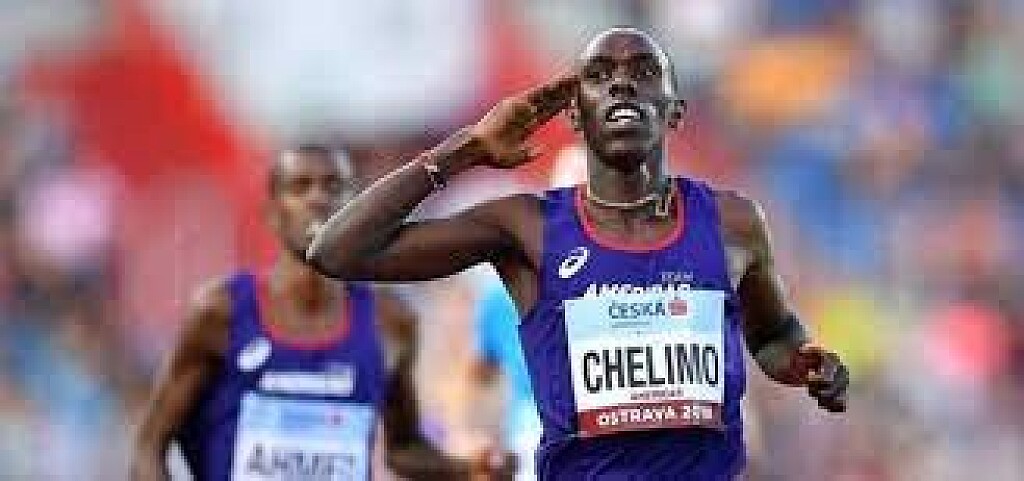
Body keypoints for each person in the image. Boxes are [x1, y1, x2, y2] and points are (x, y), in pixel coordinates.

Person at [305, 27, 849, 480]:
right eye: (600, 75)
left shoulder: (733, 223)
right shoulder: (528, 228)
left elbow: (773, 337)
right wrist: (466, 149)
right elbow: (337, 251)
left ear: (675, 111)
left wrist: (804, 360)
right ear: (575, 115)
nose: (622, 85)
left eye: (643, 71)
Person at [132, 146, 510, 480]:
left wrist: (469, 469)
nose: (317, 199)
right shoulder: (222, 312)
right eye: (300, 187)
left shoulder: (390, 320)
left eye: (333, 186)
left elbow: (403, 448)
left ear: (358, 208)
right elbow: (149, 449)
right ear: (273, 213)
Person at [470, 276, 542, 481]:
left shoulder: (493, 299)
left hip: (527, 421)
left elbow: (483, 371)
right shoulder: (567, 282)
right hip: (568, 413)